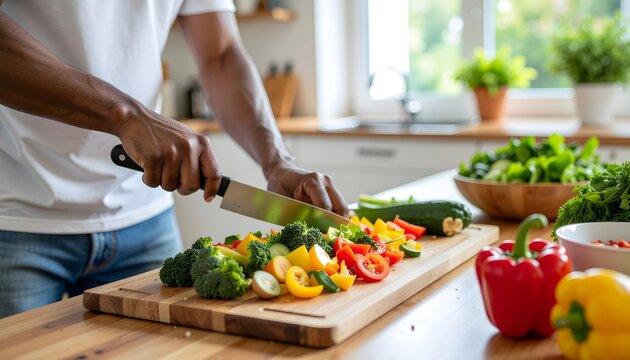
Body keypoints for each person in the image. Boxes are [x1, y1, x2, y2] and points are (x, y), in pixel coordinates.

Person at [0, 0, 349, 318]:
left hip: (145, 218)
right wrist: (126, 116)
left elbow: (222, 54)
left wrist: (277, 159)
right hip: (16, 216)